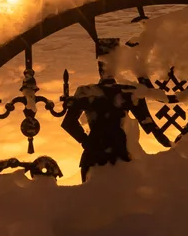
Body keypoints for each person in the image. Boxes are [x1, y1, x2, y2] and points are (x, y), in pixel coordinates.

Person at [61, 39, 168, 176]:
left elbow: (69, 123)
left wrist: (86, 142)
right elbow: (146, 120)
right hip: (116, 151)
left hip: (100, 151)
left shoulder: (88, 92)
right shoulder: (125, 92)